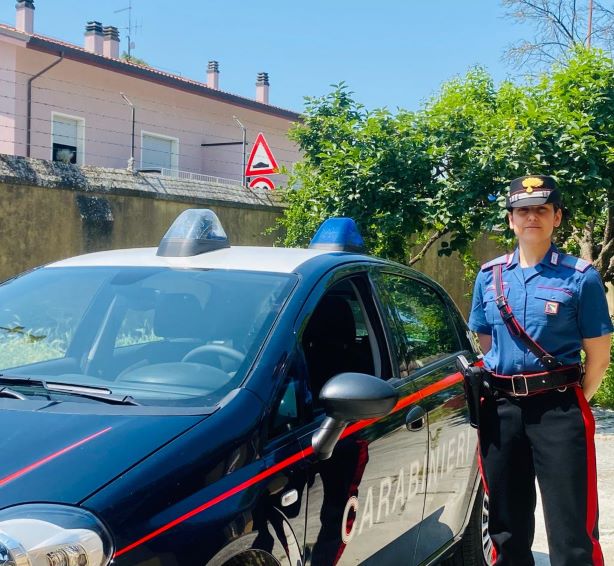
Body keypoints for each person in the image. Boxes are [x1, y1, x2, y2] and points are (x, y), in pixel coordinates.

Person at [468, 175, 612, 566]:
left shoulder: (581, 278)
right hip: (501, 410)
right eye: (523, 210)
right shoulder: (489, 276)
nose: (532, 216)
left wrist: (571, 396)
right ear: (511, 220)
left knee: (571, 526)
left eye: (541, 209)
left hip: (559, 408)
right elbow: (486, 342)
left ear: (556, 217)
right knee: (505, 523)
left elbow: (598, 358)